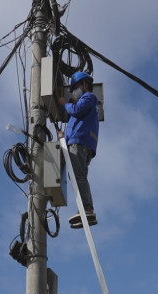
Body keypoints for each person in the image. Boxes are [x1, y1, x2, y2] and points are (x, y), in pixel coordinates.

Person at [57, 71, 100, 228]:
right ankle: (85, 208)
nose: (74, 90)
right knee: (76, 175)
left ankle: (87, 208)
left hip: (80, 143)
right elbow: (73, 127)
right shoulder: (80, 109)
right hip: (78, 142)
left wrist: (64, 104)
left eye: (76, 86)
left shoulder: (88, 98)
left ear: (85, 85)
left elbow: (76, 110)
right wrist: (62, 137)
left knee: (78, 175)